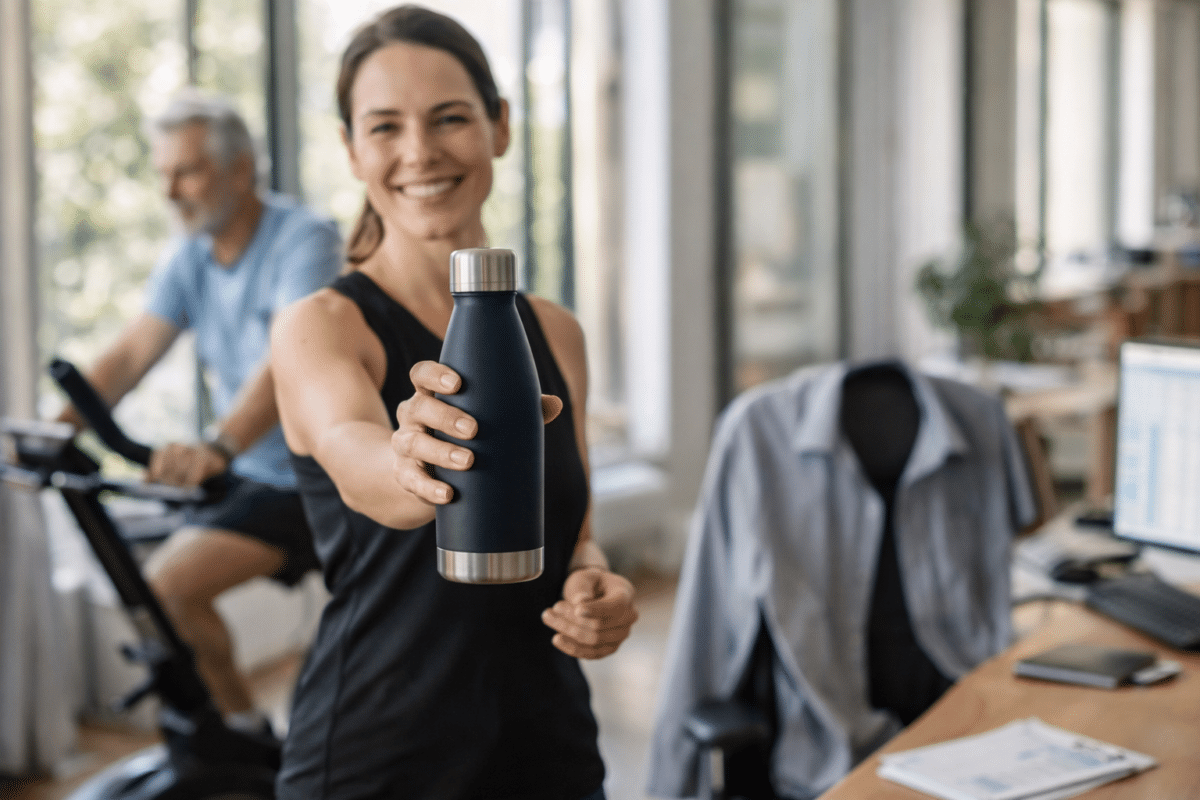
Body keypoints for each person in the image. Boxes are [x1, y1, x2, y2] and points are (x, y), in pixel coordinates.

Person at [269, 6, 638, 799]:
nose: (419, 152)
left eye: (449, 118)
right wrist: (409, 459)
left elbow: (576, 534)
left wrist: (594, 585)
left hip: (550, 749)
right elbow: (353, 452)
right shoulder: (322, 328)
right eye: (385, 127)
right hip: (377, 759)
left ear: (500, 127)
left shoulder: (556, 331)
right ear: (351, 150)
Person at [57, 91, 342, 733]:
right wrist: (52, 431)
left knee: (169, 590)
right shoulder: (191, 257)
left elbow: (288, 364)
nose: (170, 192)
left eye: (186, 172)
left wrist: (217, 446)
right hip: (248, 471)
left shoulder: (305, 240)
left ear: (240, 170)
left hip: (312, 475)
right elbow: (133, 351)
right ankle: (235, 736)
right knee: (149, 589)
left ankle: (246, 741)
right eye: (162, 174)